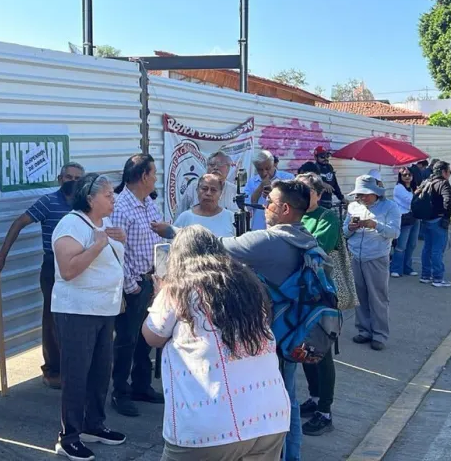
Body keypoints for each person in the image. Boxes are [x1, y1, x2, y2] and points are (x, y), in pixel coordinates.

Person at [153, 177, 323, 461]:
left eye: (270, 202)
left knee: (275, 397)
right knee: (286, 397)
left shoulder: (269, 240)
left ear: (284, 210)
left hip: (271, 333)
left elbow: (216, 247)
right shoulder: (304, 237)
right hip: (294, 329)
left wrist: (172, 231)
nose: (265, 206)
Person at [142, 226, 290, 460]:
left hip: (208, 427)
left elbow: (153, 336)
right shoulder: (249, 285)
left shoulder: (178, 288)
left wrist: (160, 292)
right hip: (270, 418)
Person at [51, 173, 128, 460]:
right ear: (90, 198)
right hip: (77, 311)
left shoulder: (102, 224)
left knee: (99, 372)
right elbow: (68, 270)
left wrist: (113, 238)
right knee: (76, 374)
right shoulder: (70, 224)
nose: (113, 199)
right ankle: (68, 436)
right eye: (108, 195)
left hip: (103, 309)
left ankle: (94, 425)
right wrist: (98, 244)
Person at [0, 162, 85, 389]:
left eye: (76, 178)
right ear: (59, 179)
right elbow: (19, 223)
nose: (71, 181)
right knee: (53, 321)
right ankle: (53, 370)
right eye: (68, 177)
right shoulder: (48, 202)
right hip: (54, 267)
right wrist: (3, 254)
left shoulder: (86, 203)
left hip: (82, 265)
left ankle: (77, 368)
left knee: (79, 317)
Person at [110, 154, 164, 417]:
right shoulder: (121, 207)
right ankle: (120, 391)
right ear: (143, 176)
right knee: (127, 340)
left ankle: (141, 385)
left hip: (151, 281)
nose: (156, 178)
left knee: (146, 336)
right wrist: (131, 286)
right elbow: (116, 252)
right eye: (153, 173)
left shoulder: (148, 203)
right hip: (133, 285)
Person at [296, 173, 340, 436]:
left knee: (321, 352)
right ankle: (313, 397)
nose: (299, 194)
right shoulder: (296, 216)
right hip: (298, 295)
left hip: (320, 296)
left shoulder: (327, 218)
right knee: (303, 349)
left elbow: (315, 249)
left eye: (305, 190)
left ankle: (325, 410)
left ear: (318, 194)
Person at [345, 175, 401, 350]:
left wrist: (375, 225)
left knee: (378, 298)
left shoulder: (390, 207)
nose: (361, 198)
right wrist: (350, 228)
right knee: (359, 297)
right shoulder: (353, 207)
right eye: (359, 194)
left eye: (365, 194)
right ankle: (364, 331)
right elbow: (344, 231)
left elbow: (395, 233)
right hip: (355, 256)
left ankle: (379, 335)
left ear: (376, 193)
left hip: (376, 257)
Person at [419, 161, 451, 286]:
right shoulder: (443, 183)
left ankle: (425, 275)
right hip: (438, 220)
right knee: (437, 250)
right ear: (443, 171)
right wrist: (447, 216)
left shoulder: (426, 182)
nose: (449, 174)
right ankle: (438, 278)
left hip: (426, 219)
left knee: (427, 248)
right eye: (449, 171)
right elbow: (448, 200)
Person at [174, 151, 238, 216]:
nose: (215, 168)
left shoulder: (235, 191)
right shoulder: (193, 187)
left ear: (228, 168)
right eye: (212, 165)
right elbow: (180, 215)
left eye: (220, 164)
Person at [245, 150, 295, 229]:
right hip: (259, 228)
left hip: (281, 228)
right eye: (260, 170)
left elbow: (294, 203)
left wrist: (274, 194)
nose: (264, 173)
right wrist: (261, 186)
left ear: (274, 164)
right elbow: (248, 207)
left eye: (267, 168)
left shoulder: (288, 178)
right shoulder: (252, 182)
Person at [390, 167, 419, 278]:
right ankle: (396, 268)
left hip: (415, 217)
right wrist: (418, 194)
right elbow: (410, 201)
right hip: (404, 218)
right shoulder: (398, 188)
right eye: (404, 175)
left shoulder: (413, 187)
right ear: (400, 177)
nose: (407, 177)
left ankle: (407, 267)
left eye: (409, 175)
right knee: (401, 245)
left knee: (412, 244)